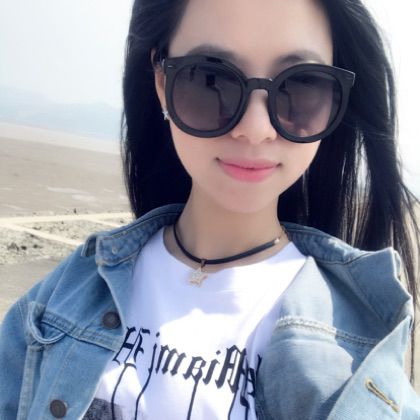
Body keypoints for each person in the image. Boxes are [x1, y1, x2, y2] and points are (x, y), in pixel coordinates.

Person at [1, 0, 420, 418]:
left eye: (300, 86)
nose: (256, 129)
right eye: (210, 79)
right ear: (162, 82)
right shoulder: (63, 296)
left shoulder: (358, 359)